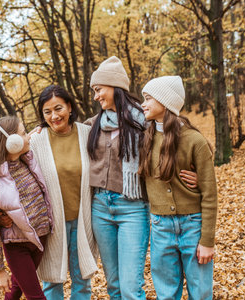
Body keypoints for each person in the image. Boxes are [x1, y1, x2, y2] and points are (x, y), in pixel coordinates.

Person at [139, 76, 217, 300]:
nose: (143, 104)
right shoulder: (146, 138)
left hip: (193, 225)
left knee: (201, 293)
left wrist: (207, 241)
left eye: (148, 98)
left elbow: (210, 195)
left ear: (165, 101)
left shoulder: (194, 140)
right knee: (166, 294)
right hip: (160, 227)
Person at [86, 56, 150, 300]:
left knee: (130, 289)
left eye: (98, 89)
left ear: (114, 87)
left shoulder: (144, 122)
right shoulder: (93, 124)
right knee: (113, 286)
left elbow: (177, 142)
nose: (96, 96)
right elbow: (62, 134)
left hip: (133, 208)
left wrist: (195, 173)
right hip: (100, 208)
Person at [0, 116, 54, 300]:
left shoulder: (27, 161)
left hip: (39, 240)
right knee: (36, 296)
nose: (28, 137)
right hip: (17, 246)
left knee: (16, 288)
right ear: (12, 142)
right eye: (23, 133)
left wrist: (31, 135)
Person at [30, 85, 99, 300]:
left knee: (82, 282)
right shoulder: (36, 141)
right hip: (51, 223)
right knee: (51, 282)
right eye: (47, 112)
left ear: (69, 107)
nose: (54, 116)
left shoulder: (88, 134)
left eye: (58, 109)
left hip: (82, 219)